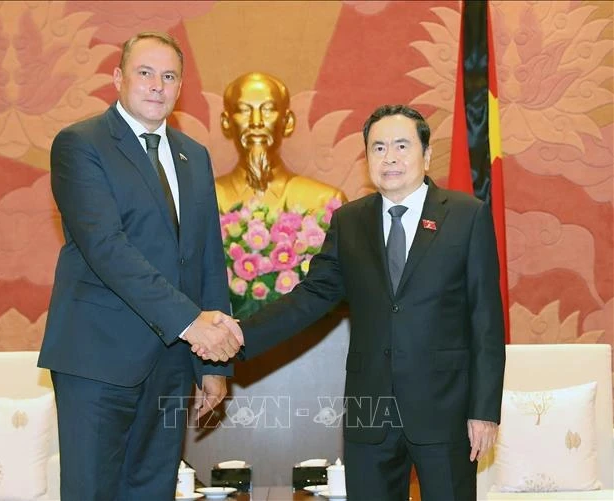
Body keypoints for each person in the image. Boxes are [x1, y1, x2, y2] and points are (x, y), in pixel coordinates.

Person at [209, 105, 506, 500]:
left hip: (444, 409)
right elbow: (312, 296)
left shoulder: (467, 217)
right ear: (367, 159)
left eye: (402, 145)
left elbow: (486, 319)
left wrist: (483, 410)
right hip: (370, 411)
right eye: (378, 148)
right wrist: (240, 336)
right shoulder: (350, 221)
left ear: (426, 154)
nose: (390, 157)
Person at [38, 32, 243, 500]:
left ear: (180, 86)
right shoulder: (80, 144)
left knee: (152, 491)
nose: (157, 85)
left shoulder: (195, 155)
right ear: (118, 79)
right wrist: (193, 324)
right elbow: (107, 248)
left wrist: (214, 365)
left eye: (169, 76)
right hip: (97, 357)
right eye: (144, 73)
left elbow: (207, 257)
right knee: (93, 491)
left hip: (172, 362)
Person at [215, 72, 347, 213]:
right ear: (226, 123)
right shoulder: (205, 201)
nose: (256, 122)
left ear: (288, 122)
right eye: (243, 110)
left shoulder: (325, 201)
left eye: (268, 109)